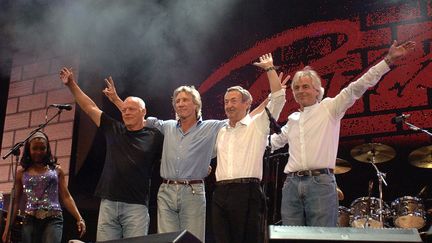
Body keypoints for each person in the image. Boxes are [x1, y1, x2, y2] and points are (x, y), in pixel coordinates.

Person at [102, 54, 281, 242]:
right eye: (177, 101)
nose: (180, 103)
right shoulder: (166, 126)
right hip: (166, 192)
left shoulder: (213, 127)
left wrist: (269, 98)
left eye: (185, 100)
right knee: (167, 240)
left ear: (196, 104)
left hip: (193, 192)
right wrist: (116, 100)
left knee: (193, 240)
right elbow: (136, 117)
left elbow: (246, 118)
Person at [269, 40, 416, 226]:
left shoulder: (329, 107)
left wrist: (388, 60)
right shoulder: (292, 120)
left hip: (320, 183)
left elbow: (358, 86)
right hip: (291, 185)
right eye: (296, 88)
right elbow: (271, 143)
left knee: (323, 238)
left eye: (305, 86)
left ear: (317, 90)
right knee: (290, 237)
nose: (300, 91)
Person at [59, 68, 163, 241]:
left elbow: (171, 154)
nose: (126, 112)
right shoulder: (113, 128)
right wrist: (71, 84)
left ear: (143, 112)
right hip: (109, 202)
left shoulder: (155, 137)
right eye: (124, 109)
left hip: (136, 206)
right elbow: (89, 106)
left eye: (131, 109)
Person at [212, 53, 286, 243]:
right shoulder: (221, 131)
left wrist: (270, 69)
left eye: (234, 101)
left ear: (247, 104)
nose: (228, 105)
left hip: (247, 192)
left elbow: (277, 99)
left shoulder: (257, 125)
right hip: (220, 193)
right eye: (226, 102)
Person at [1, 131, 85, 243]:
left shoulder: (56, 170)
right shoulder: (21, 173)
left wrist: (79, 218)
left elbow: (66, 196)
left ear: (47, 149)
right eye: (35, 148)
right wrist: (7, 230)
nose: (39, 152)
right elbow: (15, 202)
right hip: (30, 220)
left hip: (53, 218)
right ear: (28, 149)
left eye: (42, 148)